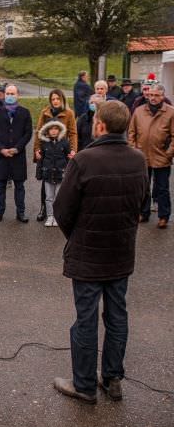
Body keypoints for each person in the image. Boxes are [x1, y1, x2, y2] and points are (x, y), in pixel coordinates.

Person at [53, 101, 148, 404]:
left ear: (102, 126)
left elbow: (62, 210)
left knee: (87, 318)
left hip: (89, 256)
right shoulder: (138, 159)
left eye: (96, 120)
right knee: (117, 315)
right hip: (120, 252)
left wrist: (77, 237)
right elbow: (141, 206)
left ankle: (83, 384)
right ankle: (112, 378)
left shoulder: (84, 160)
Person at [128, 83, 174, 229]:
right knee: (143, 187)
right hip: (142, 156)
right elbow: (131, 133)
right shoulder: (139, 111)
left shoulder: (171, 113)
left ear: (163, 96)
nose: (153, 98)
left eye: (156, 95)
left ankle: (163, 216)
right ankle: (143, 212)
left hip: (162, 157)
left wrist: (168, 154)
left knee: (162, 189)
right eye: (151, 95)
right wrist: (133, 150)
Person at [0, 84, 32, 224]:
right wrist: (1, 149)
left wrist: (17, 148)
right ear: (4, 95)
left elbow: (28, 133)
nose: (10, 96)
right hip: (1, 156)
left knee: (19, 186)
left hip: (18, 156)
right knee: (0, 185)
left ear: (18, 95)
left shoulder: (25, 112)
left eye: (13, 93)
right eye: (8, 93)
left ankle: (21, 213)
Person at [34, 89, 77, 221]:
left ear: (62, 99)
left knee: (61, 182)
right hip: (47, 151)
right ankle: (44, 209)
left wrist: (73, 150)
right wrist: (37, 148)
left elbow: (73, 133)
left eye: (58, 98)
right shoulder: (45, 112)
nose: (55, 101)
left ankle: (60, 212)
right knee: (46, 181)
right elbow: (39, 131)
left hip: (61, 152)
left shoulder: (69, 113)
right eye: (53, 99)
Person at [36, 121, 70, 227]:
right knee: (49, 197)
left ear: (59, 130)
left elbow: (68, 159)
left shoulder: (65, 143)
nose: (54, 131)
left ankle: (57, 217)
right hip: (48, 174)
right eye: (51, 129)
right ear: (48, 131)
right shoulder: (44, 143)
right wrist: (39, 173)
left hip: (61, 174)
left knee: (58, 197)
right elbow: (41, 160)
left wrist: (69, 174)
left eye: (56, 128)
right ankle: (50, 216)